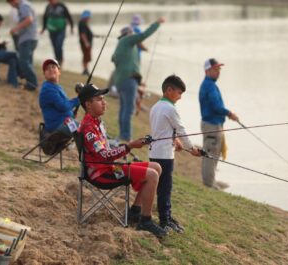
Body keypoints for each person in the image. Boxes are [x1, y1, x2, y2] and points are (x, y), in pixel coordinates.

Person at [77, 83, 167, 238]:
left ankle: (135, 211)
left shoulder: (96, 122)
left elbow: (106, 150)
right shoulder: (88, 128)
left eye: (104, 98)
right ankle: (145, 221)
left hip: (110, 168)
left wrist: (128, 146)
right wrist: (129, 147)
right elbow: (104, 156)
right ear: (88, 104)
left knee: (156, 167)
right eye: (99, 99)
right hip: (101, 174)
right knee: (152, 175)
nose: (104, 102)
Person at [149, 75, 201, 233]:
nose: (180, 97)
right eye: (179, 93)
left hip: (155, 152)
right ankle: (165, 219)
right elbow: (181, 129)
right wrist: (191, 149)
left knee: (162, 187)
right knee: (165, 188)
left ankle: (167, 216)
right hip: (165, 155)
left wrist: (176, 142)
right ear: (169, 90)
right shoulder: (170, 108)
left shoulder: (156, 106)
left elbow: (164, 129)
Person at [112, 17, 165, 141]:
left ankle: (122, 134)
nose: (133, 35)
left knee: (124, 108)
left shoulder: (121, 44)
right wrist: (156, 23)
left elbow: (115, 59)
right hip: (128, 81)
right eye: (132, 33)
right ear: (129, 34)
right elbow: (143, 35)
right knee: (129, 109)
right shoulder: (128, 40)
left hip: (121, 81)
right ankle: (126, 136)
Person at [199, 58, 239, 190]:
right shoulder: (209, 86)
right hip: (211, 125)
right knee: (210, 153)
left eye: (219, 69)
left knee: (214, 153)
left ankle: (211, 181)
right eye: (215, 69)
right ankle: (209, 184)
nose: (218, 72)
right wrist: (229, 113)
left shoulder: (210, 85)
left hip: (214, 124)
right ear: (207, 71)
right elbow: (216, 106)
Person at [39, 58, 79, 137]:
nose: (50, 69)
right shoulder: (47, 89)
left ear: (59, 71)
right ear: (44, 74)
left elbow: (64, 106)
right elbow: (63, 106)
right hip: (58, 127)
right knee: (86, 129)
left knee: (88, 129)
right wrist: (78, 100)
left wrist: (72, 114)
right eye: (47, 69)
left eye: (53, 67)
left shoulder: (56, 87)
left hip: (65, 123)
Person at [7, 0, 38, 91]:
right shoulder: (24, 5)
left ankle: (32, 83)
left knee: (24, 61)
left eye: (10, 3)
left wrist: (15, 29)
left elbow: (29, 19)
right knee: (28, 61)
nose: (11, 5)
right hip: (30, 37)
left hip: (27, 38)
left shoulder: (23, 6)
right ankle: (30, 82)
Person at [41, 0, 73, 67]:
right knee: (54, 46)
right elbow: (45, 17)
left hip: (61, 30)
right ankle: (57, 60)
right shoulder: (48, 7)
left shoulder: (62, 6)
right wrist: (43, 28)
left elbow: (68, 16)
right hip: (51, 30)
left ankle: (60, 60)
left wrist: (71, 27)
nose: (50, 2)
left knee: (59, 45)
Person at [78, 10, 92, 76]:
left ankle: (86, 69)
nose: (89, 19)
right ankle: (85, 70)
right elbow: (83, 34)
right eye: (89, 17)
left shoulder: (83, 23)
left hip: (85, 43)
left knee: (86, 57)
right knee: (86, 57)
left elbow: (86, 33)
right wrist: (86, 42)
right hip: (85, 44)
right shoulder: (82, 23)